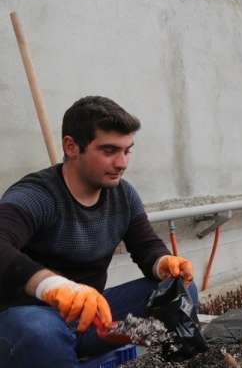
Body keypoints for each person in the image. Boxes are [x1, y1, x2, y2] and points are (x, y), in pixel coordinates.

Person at [0, 96, 195, 368]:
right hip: (27, 319)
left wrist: (163, 262)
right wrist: (53, 286)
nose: (122, 163)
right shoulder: (37, 195)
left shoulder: (123, 195)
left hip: (91, 321)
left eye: (127, 151)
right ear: (71, 146)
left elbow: (146, 245)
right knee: (41, 333)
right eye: (109, 150)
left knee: (179, 290)